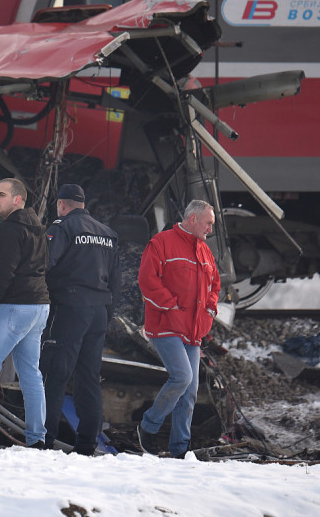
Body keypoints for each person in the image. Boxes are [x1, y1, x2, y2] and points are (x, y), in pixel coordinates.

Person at [135, 199, 220, 458]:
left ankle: (180, 450)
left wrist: (210, 311)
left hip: (193, 331)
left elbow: (214, 286)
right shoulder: (161, 243)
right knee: (182, 377)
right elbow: (147, 281)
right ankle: (148, 427)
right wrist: (171, 307)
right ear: (193, 219)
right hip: (166, 326)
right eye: (208, 223)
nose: (210, 230)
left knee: (190, 390)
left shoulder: (205, 251)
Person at [0, 177, 50, 450]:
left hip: (13, 306)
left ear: (18, 199)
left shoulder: (8, 229)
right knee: (30, 373)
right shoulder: (39, 228)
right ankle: (37, 439)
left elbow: (3, 271)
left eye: (1, 194)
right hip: (39, 307)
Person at [41, 183, 120, 455]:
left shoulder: (61, 227)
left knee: (55, 373)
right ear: (83, 204)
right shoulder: (108, 234)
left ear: (62, 204)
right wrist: (107, 313)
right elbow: (116, 282)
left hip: (69, 307)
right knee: (88, 376)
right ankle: (87, 443)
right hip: (99, 310)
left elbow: (44, 264)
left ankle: (45, 439)